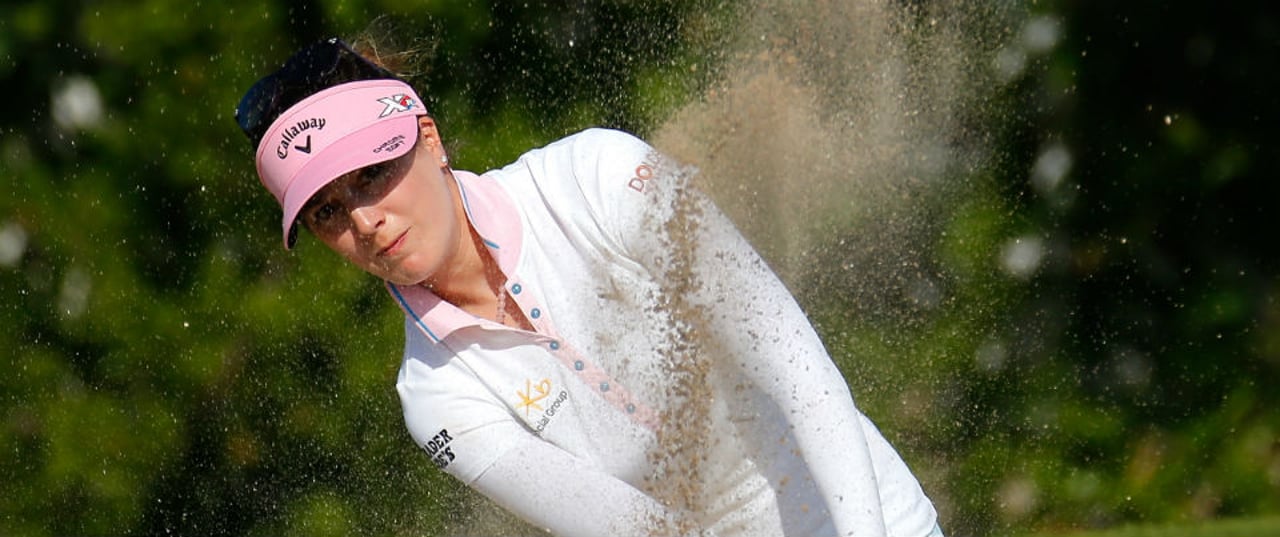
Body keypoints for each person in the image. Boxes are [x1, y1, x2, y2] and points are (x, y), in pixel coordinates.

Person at [235, 35, 942, 537]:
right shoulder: (436, 399)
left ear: (427, 135)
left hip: (873, 516)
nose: (363, 218)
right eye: (327, 210)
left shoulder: (600, 177)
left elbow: (798, 371)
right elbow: (642, 529)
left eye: (372, 173)